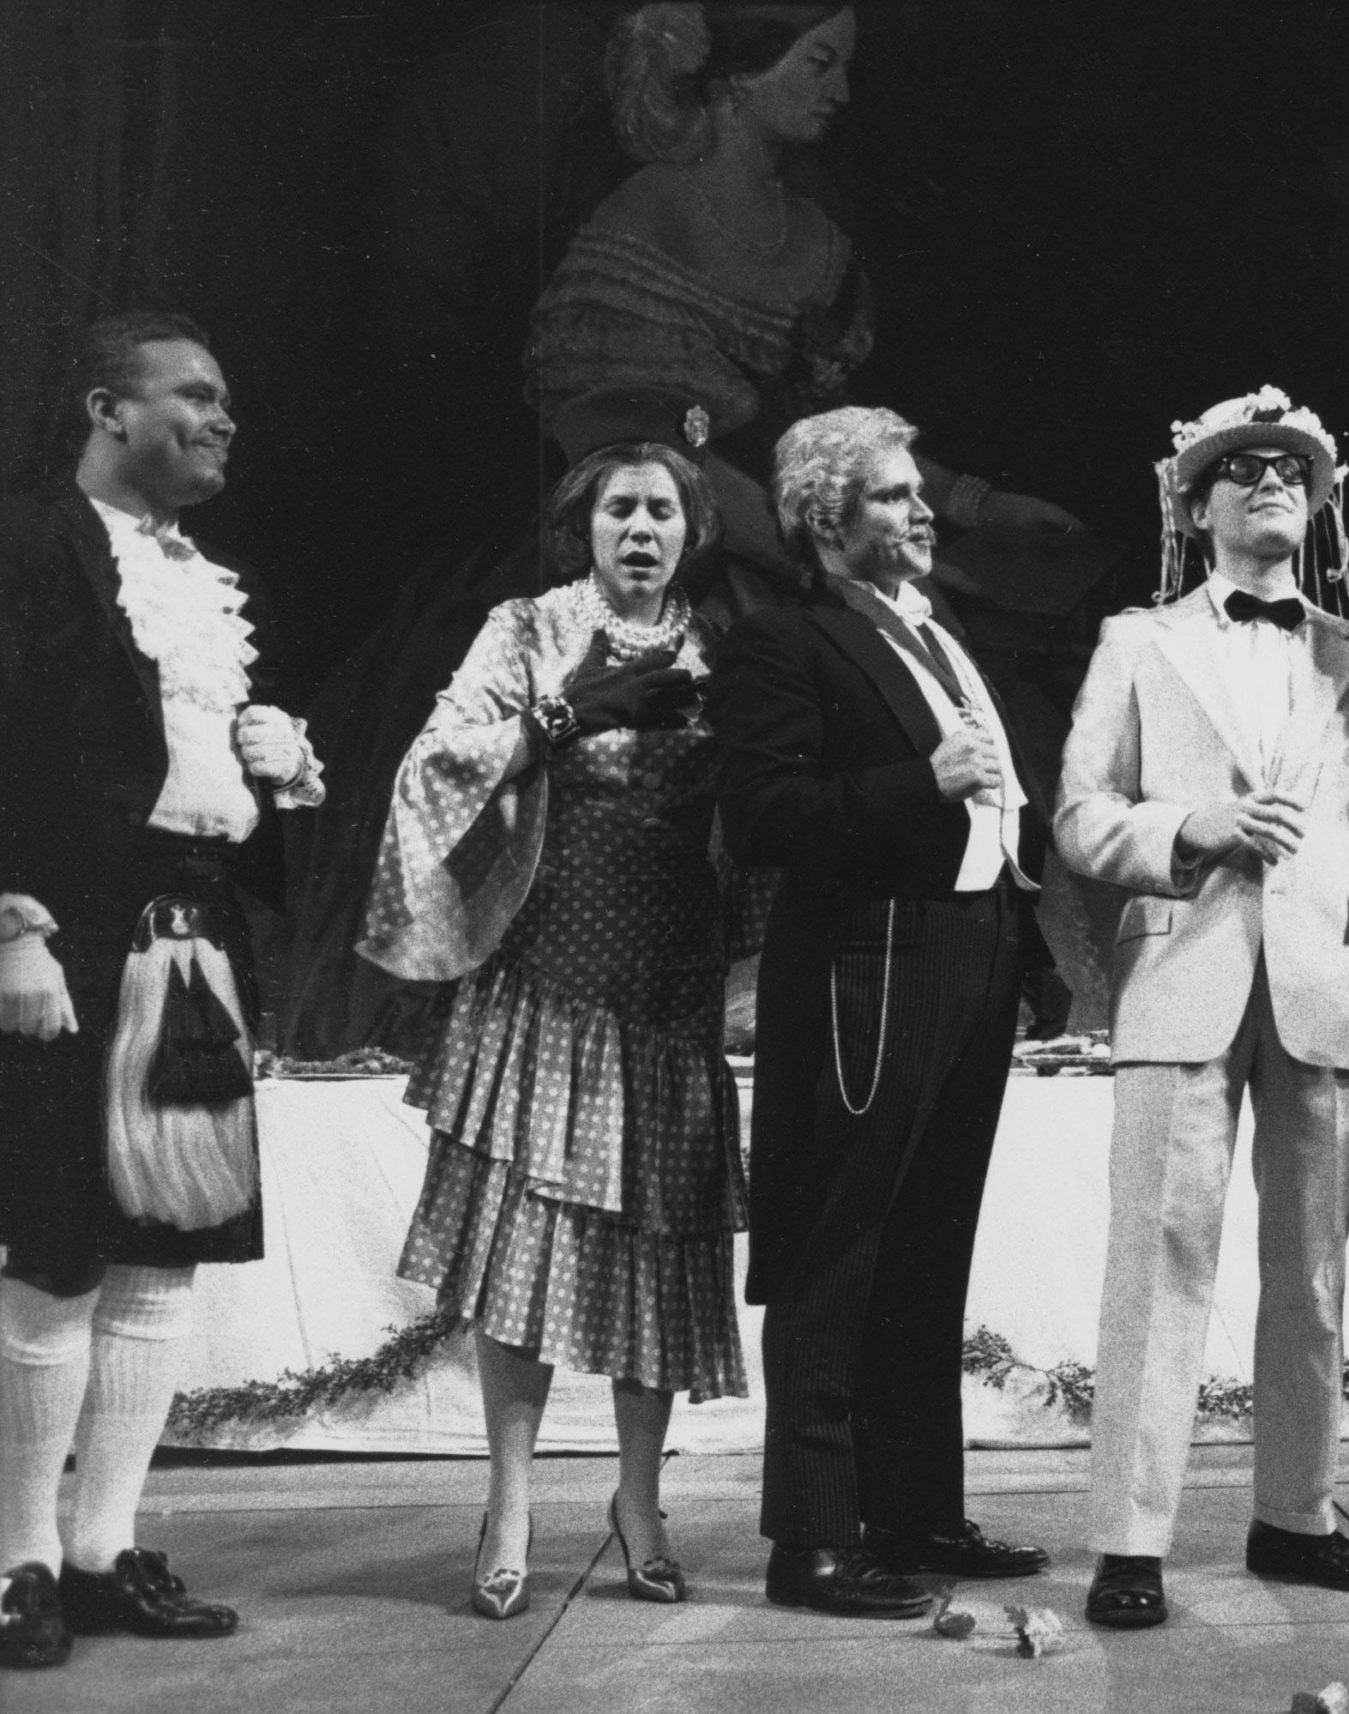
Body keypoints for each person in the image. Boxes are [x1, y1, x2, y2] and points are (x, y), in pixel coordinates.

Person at [283, 1, 1081, 1058]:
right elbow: (637, 442)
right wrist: (804, 553)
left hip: (789, 529)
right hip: (656, 535)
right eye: (819, 61)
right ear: (740, 75)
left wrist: (971, 502)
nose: (839, 89)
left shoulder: (812, 237)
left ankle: (870, 975)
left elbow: (821, 434)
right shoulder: (646, 219)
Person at [1055, 388, 1349, 1629]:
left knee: (1315, 1273)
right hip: (1182, 978)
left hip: (1330, 981)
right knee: (1156, 1265)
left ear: (1317, 502)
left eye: (1291, 468)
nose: (1270, 480)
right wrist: (1189, 827)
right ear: (1199, 502)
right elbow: (1076, 817)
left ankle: (1297, 1516)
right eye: (1243, 467)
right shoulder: (1137, 640)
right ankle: (1130, 1538)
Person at [357, 409, 746, 1618]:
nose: (640, 527)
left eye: (662, 510)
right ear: (583, 526)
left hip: (666, 993)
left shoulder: (727, 649)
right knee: (520, 1257)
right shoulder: (526, 629)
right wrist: (564, 715)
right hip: (542, 985)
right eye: (618, 508)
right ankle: (512, 1498)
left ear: (692, 532)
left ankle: (639, 1499)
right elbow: (433, 762)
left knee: (656, 1258)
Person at [0, 313, 324, 1669]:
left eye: (229, 398)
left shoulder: (204, 578)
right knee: (57, 1245)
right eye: (194, 393)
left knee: (161, 1247)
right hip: (67, 933)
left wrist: (282, 774)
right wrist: (11, 921)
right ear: (105, 409)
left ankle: (99, 1547)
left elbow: (199, 786)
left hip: (192, 937)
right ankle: (17, 1558)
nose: (222, 417)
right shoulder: (31, 550)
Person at [708, 405, 1051, 1620]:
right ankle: (810, 1539)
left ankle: (913, 1510)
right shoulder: (785, 642)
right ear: (823, 515)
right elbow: (760, 820)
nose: (923, 512)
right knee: (838, 1239)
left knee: (929, 1239)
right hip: (874, 960)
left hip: (973, 946)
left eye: (917, 492)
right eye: (898, 494)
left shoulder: (934, 632)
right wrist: (925, 780)